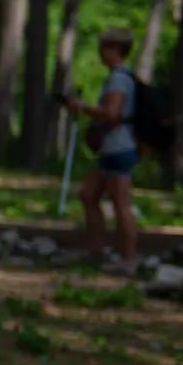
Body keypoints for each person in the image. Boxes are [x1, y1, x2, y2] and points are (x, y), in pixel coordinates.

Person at [65, 28, 141, 276]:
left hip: (120, 148)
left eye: (104, 48)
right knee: (88, 195)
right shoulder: (117, 77)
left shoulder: (119, 79)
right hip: (110, 149)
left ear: (116, 50)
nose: (100, 53)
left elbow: (112, 114)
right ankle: (96, 249)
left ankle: (129, 259)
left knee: (121, 205)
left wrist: (84, 107)